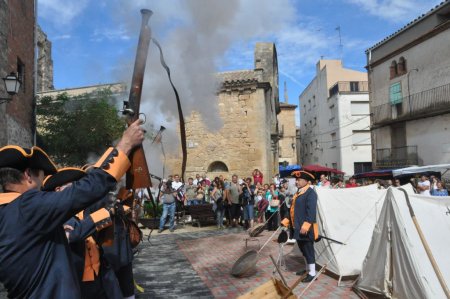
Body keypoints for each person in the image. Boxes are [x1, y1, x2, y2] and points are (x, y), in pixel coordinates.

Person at [0, 119, 144, 298]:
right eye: (40, 179)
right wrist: (126, 144)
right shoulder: (28, 206)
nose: (42, 188)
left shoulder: (9, 211)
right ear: (28, 175)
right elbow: (89, 188)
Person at [41, 167, 122, 299]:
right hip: (76, 277)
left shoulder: (84, 208)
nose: (78, 191)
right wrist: (107, 212)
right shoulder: (54, 214)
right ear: (58, 190)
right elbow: (75, 233)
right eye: (72, 187)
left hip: (100, 273)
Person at [281, 170, 318, 283]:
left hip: (305, 228)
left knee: (308, 249)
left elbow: (311, 212)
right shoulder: (298, 192)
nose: (297, 182)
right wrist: (285, 221)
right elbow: (291, 209)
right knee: (303, 249)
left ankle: (312, 273)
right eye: (296, 180)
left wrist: (306, 226)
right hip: (297, 226)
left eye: (299, 180)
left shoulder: (310, 193)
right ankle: (307, 269)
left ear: (306, 181)